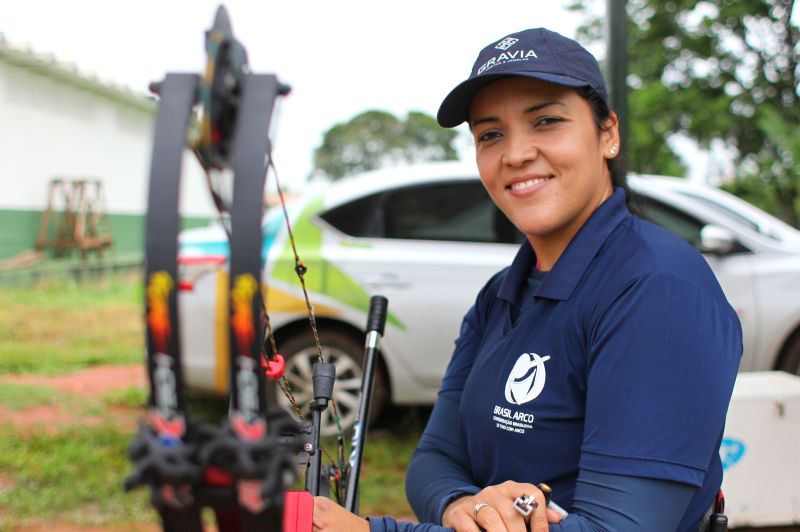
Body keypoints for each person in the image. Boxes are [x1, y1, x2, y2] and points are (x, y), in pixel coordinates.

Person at [312, 27, 742, 532]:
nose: (515, 154)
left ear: (608, 134)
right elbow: (433, 461)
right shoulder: (500, 292)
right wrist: (466, 505)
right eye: (490, 134)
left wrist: (370, 531)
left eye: (546, 121)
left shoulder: (658, 289)